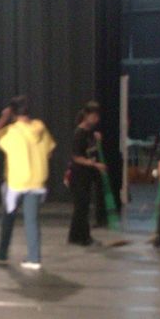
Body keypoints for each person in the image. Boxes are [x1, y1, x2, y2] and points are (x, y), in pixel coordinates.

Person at [0, 96, 56, 269]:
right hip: (37, 181)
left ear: (12, 112)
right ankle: (34, 258)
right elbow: (49, 151)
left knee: (8, 216)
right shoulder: (40, 128)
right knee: (32, 220)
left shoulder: (11, 131)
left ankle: (2, 252)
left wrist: (3, 118)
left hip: (16, 182)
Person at [68, 101, 108, 245]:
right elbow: (76, 157)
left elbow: (91, 150)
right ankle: (83, 238)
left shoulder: (90, 132)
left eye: (97, 116)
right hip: (78, 175)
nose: (96, 119)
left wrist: (97, 139)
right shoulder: (79, 133)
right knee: (81, 208)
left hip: (86, 175)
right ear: (86, 115)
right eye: (93, 116)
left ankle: (75, 237)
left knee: (82, 207)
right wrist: (95, 164)